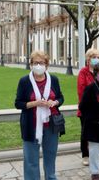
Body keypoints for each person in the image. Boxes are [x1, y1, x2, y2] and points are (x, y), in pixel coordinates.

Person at [14, 51, 64, 180]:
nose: (38, 65)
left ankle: (51, 178)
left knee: (50, 156)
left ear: (46, 65)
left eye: (41, 63)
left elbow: (60, 97)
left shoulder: (53, 79)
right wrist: (35, 103)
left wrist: (55, 102)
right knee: (31, 160)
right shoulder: (24, 81)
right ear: (31, 64)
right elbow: (18, 103)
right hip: (31, 125)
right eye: (35, 62)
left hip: (51, 125)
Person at [77, 48, 99, 166]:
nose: (96, 59)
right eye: (94, 57)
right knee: (85, 132)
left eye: (98, 57)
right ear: (88, 59)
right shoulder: (83, 72)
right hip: (87, 109)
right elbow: (81, 90)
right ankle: (85, 155)